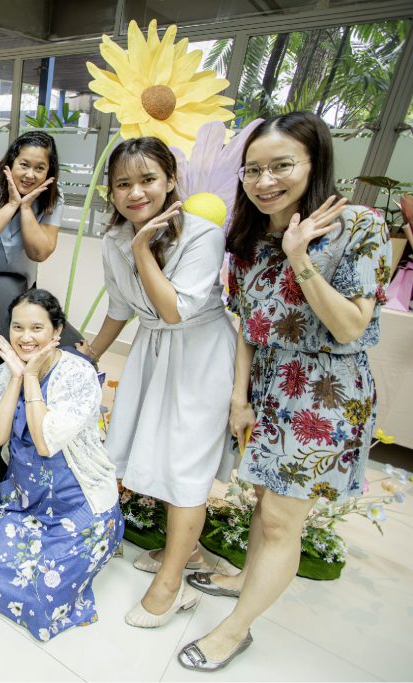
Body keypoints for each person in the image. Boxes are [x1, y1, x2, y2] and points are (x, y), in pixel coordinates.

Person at [178, 111, 390, 671]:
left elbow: (349, 326)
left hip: (324, 393)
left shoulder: (359, 227)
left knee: (280, 519)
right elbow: (247, 326)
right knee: (263, 503)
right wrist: (239, 397)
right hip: (267, 386)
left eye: (281, 166)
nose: (264, 181)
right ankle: (246, 577)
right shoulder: (248, 238)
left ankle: (235, 630)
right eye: (253, 170)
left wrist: (300, 257)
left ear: (314, 164)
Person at [76, 136, 235, 628]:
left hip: (198, 354)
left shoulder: (203, 234)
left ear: (170, 180)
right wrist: (90, 355)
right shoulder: (114, 238)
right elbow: (120, 307)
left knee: (186, 467)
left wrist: (143, 247)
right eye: (123, 184)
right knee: (155, 454)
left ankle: (171, 585)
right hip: (151, 352)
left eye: (147, 179)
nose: (135, 192)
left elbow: (174, 309)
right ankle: (185, 552)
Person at [0, 289, 123, 642]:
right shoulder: (7, 372)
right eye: (17, 327)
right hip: (27, 502)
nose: (25, 337)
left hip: (79, 505)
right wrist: (15, 378)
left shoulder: (78, 374)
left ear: (57, 331)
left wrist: (31, 377)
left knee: (44, 598)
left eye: (37, 328)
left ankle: (102, 539)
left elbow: (45, 442)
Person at [0, 131, 62, 288]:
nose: (30, 175)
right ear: (11, 162)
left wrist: (26, 208)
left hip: (22, 287)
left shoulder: (53, 195)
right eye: (24, 165)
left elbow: (39, 253)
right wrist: (12, 204)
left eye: (40, 168)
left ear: (49, 171)